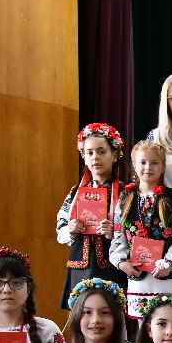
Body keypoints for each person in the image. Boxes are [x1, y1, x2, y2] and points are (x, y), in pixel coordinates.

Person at [109, 141, 172, 321]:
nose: (148, 167)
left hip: (167, 278)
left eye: (154, 162)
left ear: (163, 166)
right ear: (134, 165)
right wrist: (122, 263)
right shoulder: (125, 198)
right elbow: (118, 236)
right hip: (138, 278)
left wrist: (168, 263)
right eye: (143, 162)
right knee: (143, 326)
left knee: (167, 321)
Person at [55, 123, 128, 308]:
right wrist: (70, 229)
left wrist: (115, 231)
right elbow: (60, 225)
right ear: (84, 157)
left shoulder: (126, 193)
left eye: (101, 152)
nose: (95, 157)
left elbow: (135, 229)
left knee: (111, 312)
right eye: (90, 153)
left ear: (115, 155)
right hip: (80, 265)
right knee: (81, 314)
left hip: (112, 266)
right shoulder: (75, 192)